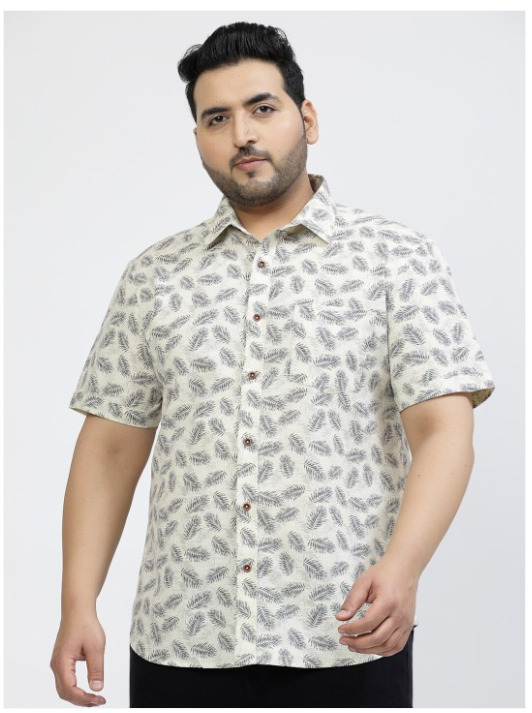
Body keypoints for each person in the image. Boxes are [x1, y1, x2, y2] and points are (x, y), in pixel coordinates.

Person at [50, 21, 496, 708]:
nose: (242, 134)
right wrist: (77, 602)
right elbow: (109, 449)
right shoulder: (155, 275)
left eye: (263, 108)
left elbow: (444, 429)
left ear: (306, 118)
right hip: (180, 639)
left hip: (347, 635)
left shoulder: (395, 257)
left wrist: (404, 567)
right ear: (198, 137)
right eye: (217, 118)